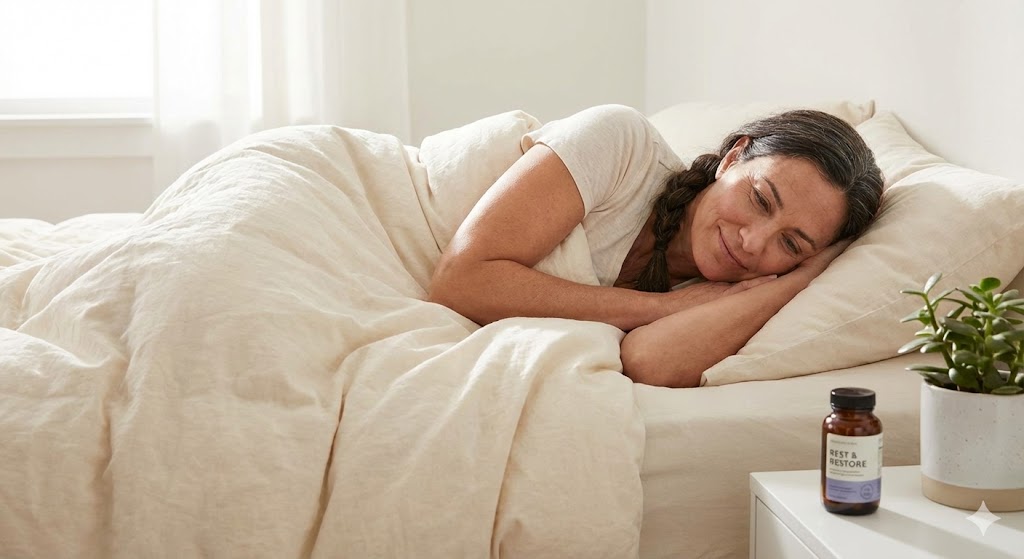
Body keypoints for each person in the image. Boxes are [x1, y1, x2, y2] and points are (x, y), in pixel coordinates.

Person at [428, 105, 883, 388]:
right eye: (759, 199)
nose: (752, 242)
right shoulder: (623, 143)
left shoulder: (733, 294)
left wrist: (800, 280)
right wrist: (664, 308)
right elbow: (462, 280)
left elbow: (650, 363)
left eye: (790, 242)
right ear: (731, 158)